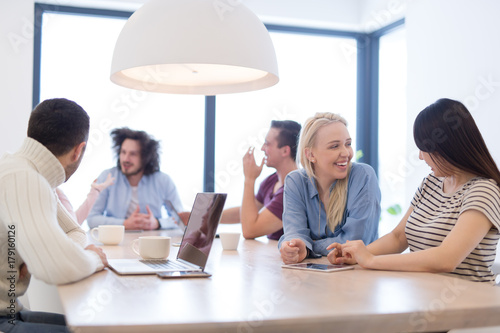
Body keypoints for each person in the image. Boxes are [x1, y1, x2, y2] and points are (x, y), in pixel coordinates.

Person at [328, 99, 500, 284]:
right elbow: (398, 237)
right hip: (421, 296)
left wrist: (371, 260)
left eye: (424, 149)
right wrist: (355, 254)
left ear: (447, 148)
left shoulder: (484, 191)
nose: (420, 156)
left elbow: (446, 259)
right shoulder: (431, 183)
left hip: (467, 305)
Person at [0, 98, 108, 332]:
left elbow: (73, 230)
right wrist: (95, 259)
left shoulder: (26, 172)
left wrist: (45, 250)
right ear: (78, 151)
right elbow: (58, 267)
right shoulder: (24, 179)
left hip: (9, 311)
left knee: (97, 327)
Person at [279, 112, 381, 264]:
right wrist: (294, 247)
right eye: (334, 146)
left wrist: (309, 247)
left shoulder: (363, 176)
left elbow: (355, 242)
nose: (346, 153)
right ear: (310, 154)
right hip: (316, 274)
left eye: (348, 144)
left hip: (358, 273)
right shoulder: (296, 181)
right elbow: (294, 234)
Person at [87, 127, 183, 230]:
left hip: (152, 242)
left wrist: (157, 223)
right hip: (116, 242)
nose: (125, 159)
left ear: (145, 158)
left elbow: (181, 218)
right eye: (123, 152)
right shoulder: (107, 177)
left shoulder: (163, 180)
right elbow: (92, 219)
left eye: (133, 154)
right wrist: (124, 224)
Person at [220, 120, 301, 240]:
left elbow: (250, 230)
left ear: (285, 151)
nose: (263, 148)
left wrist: (249, 179)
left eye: (267, 144)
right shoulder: (271, 181)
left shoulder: (294, 189)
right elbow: (246, 213)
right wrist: (206, 217)